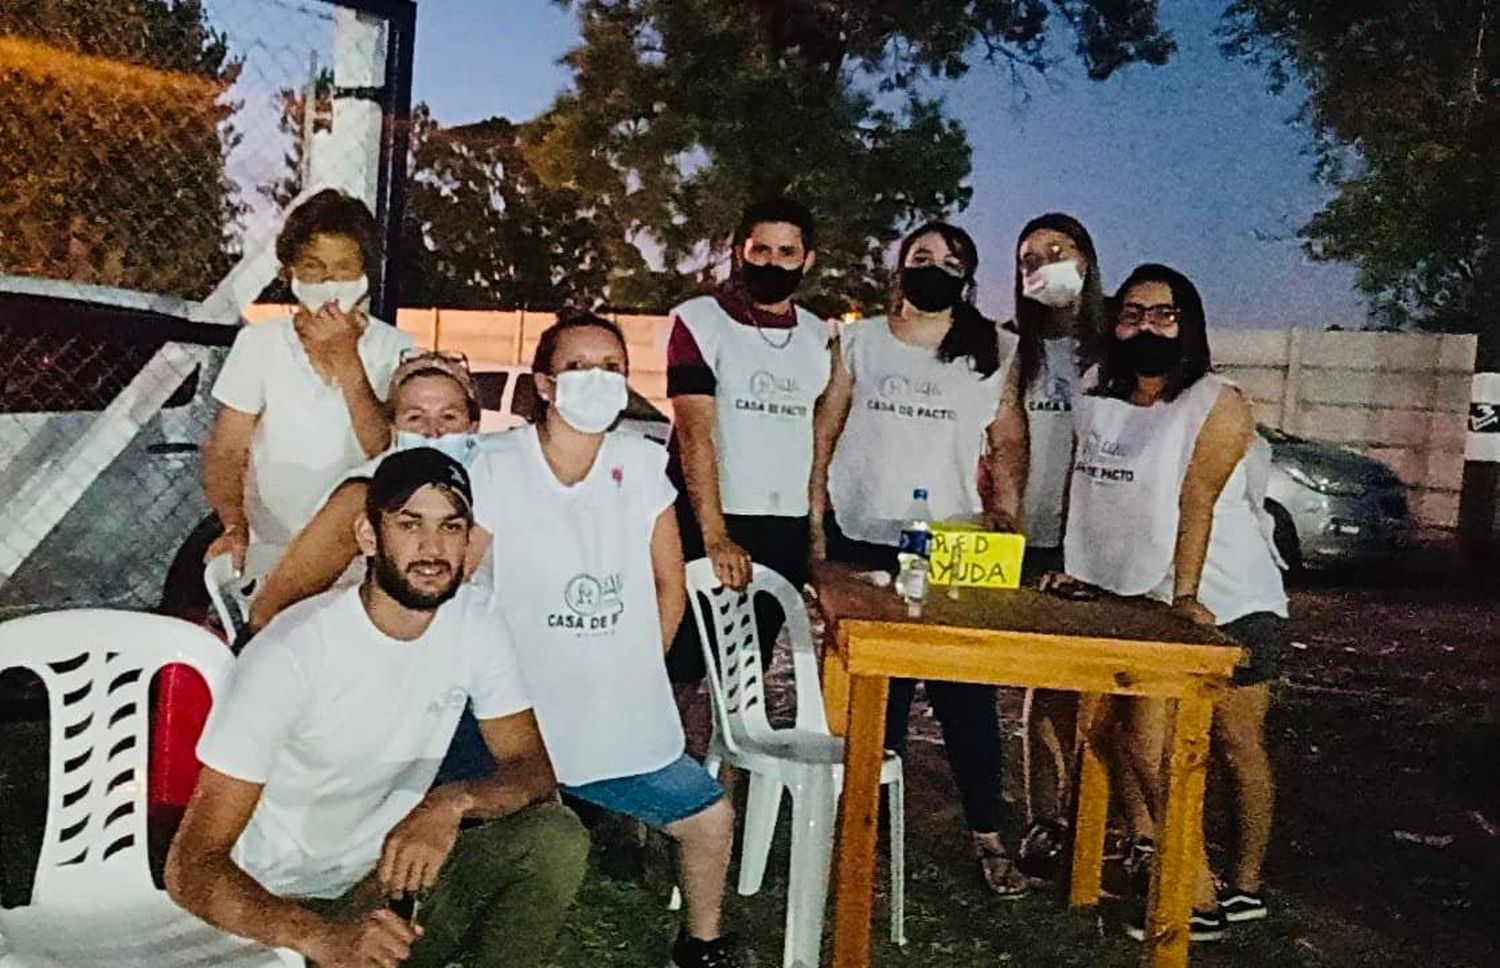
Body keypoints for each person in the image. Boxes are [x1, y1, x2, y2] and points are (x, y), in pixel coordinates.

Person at [166, 448, 589, 968]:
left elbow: (533, 768)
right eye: (410, 524)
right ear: (368, 536)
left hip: (386, 882)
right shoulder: (292, 653)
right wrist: (321, 938)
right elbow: (190, 867)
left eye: (451, 527)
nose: (432, 548)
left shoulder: (474, 622)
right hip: (281, 908)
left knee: (554, 837)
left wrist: (451, 803)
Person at [467, 313, 741, 968]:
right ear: (545, 384)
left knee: (708, 818)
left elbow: (666, 586)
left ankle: (699, 946)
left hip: (614, 715)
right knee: (514, 834)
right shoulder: (495, 466)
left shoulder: (640, 464)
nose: (599, 381)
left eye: (613, 368)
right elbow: (462, 587)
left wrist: (631, 674)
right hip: (514, 715)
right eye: (579, 367)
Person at [1044, 264, 1288, 941]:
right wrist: (1078, 573)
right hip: (1145, 599)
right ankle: (1189, 882)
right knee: (1138, 740)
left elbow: (1197, 503)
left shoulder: (1218, 399)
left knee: (1238, 745)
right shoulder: (1097, 393)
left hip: (1227, 598)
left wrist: (1184, 595)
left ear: (1189, 323)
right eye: (1132, 313)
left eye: (1164, 313)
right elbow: (1091, 493)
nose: (1146, 325)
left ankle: (1239, 884)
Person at [808, 222, 1029, 897]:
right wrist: (814, 515)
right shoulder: (860, 340)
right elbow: (828, 426)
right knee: (877, 696)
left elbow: (1009, 434)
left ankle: (988, 836)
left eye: (950, 260)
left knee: (967, 697)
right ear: (899, 270)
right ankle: (863, 835)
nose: (935, 268)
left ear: (968, 274)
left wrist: (1009, 513)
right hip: (863, 533)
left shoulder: (997, 348)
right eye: (920, 258)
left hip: (952, 541)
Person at [987, 214, 1147, 878]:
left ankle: (1136, 832)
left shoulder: (1122, 346)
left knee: (1125, 690)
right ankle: (1047, 820)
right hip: (1039, 542)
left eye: (1057, 251)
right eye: (1029, 256)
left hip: (1109, 542)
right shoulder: (1010, 349)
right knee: (1047, 688)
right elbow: (1001, 442)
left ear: (1087, 257)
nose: (1041, 264)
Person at [663, 197, 832, 700]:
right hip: (708, 520)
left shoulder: (819, 336)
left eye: (787, 252)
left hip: (783, 527)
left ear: (808, 260)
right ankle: (663, 772)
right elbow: (695, 432)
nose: (772, 263)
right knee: (681, 666)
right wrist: (715, 536)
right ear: (740, 252)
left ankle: (732, 776)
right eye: (761, 250)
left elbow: (820, 438)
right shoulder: (699, 320)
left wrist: (816, 533)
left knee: (746, 674)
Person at [202, 189, 414, 571]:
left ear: (366, 273)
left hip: (360, 553)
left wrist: (347, 358)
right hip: (271, 548)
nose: (329, 281)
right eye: (314, 266)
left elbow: (384, 448)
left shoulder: (397, 348)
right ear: (290, 272)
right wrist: (235, 524)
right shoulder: (259, 344)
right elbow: (227, 451)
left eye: (345, 267)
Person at [248, 349, 488, 633]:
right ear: (393, 426)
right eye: (415, 418)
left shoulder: (489, 482)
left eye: (448, 417)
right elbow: (270, 611)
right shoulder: (362, 496)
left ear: (473, 426)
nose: (433, 432)